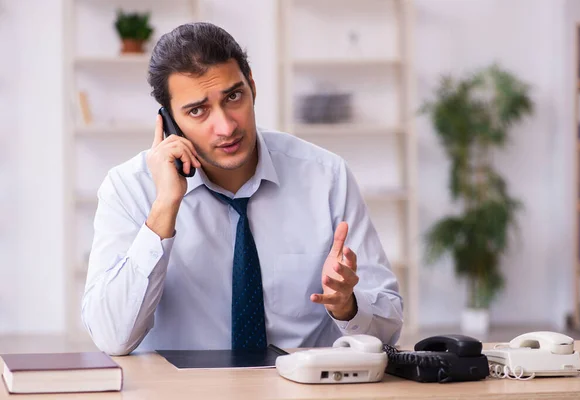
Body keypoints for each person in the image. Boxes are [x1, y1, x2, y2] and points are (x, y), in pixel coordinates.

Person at [81, 22, 403, 356]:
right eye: (197, 110)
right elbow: (111, 338)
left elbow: (389, 327)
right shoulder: (127, 189)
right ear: (170, 122)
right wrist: (164, 207)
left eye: (233, 96)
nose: (226, 126)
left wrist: (347, 305)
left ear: (252, 85)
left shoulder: (326, 177)